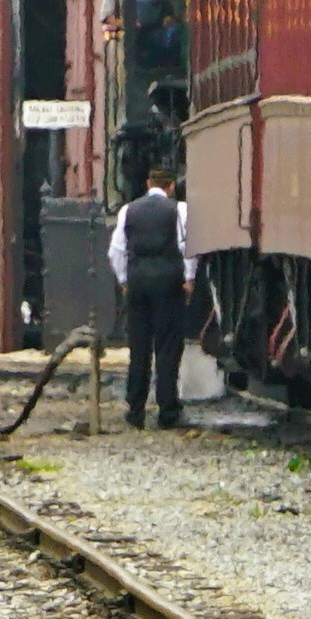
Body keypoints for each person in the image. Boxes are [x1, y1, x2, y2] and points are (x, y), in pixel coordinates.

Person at [109, 158, 200, 428]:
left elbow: (116, 250)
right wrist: (189, 278)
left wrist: (125, 279)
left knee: (139, 346)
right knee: (167, 348)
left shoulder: (128, 211)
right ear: (171, 186)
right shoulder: (179, 211)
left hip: (138, 284)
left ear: (148, 184)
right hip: (168, 285)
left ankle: (135, 409)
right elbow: (187, 247)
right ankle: (167, 409)